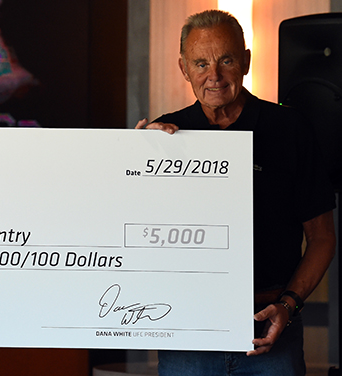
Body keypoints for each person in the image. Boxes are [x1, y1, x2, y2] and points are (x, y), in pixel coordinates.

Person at [136, 10, 336, 376]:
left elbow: (322, 237)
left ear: (245, 60)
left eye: (226, 60)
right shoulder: (164, 137)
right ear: (184, 69)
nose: (213, 76)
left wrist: (288, 306)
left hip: (272, 333)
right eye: (200, 63)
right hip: (187, 339)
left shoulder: (289, 129)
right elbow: (131, 235)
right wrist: (129, 163)